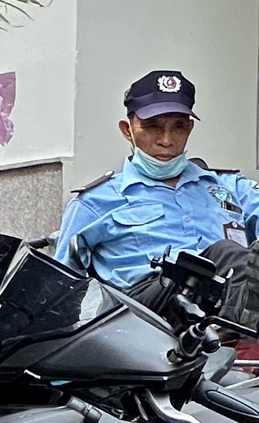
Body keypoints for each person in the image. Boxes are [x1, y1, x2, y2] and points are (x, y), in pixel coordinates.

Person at [55, 70, 259, 288]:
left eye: (178, 127)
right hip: (148, 308)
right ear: (127, 130)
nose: (166, 140)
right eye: (152, 126)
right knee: (225, 253)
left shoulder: (232, 188)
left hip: (229, 297)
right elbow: (59, 286)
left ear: (189, 128)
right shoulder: (95, 202)